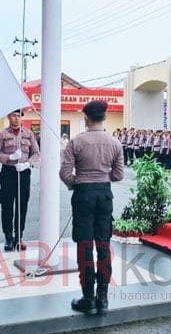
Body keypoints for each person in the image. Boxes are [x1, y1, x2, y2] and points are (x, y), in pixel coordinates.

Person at [60, 100, 124, 316]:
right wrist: (102, 178)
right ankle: (103, 298)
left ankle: (88, 298)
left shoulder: (76, 142)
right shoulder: (115, 143)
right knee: (104, 245)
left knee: (85, 246)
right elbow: (118, 175)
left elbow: (65, 173)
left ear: (86, 118)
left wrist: (75, 183)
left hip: (83, 195)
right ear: (104, 117)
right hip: (105, 195)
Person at [0, 109, 40, 251]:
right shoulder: (3, 134)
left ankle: (19, 237)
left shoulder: (29, 134)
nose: (16, 119)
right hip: (8, 172)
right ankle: (8, 237)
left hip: (23, 172)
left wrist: (28, 163)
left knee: (22, 205)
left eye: (19, 116)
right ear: (9, 117)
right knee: (7, 205)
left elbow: (36, 153)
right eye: (14, 116)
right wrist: (9, 158)